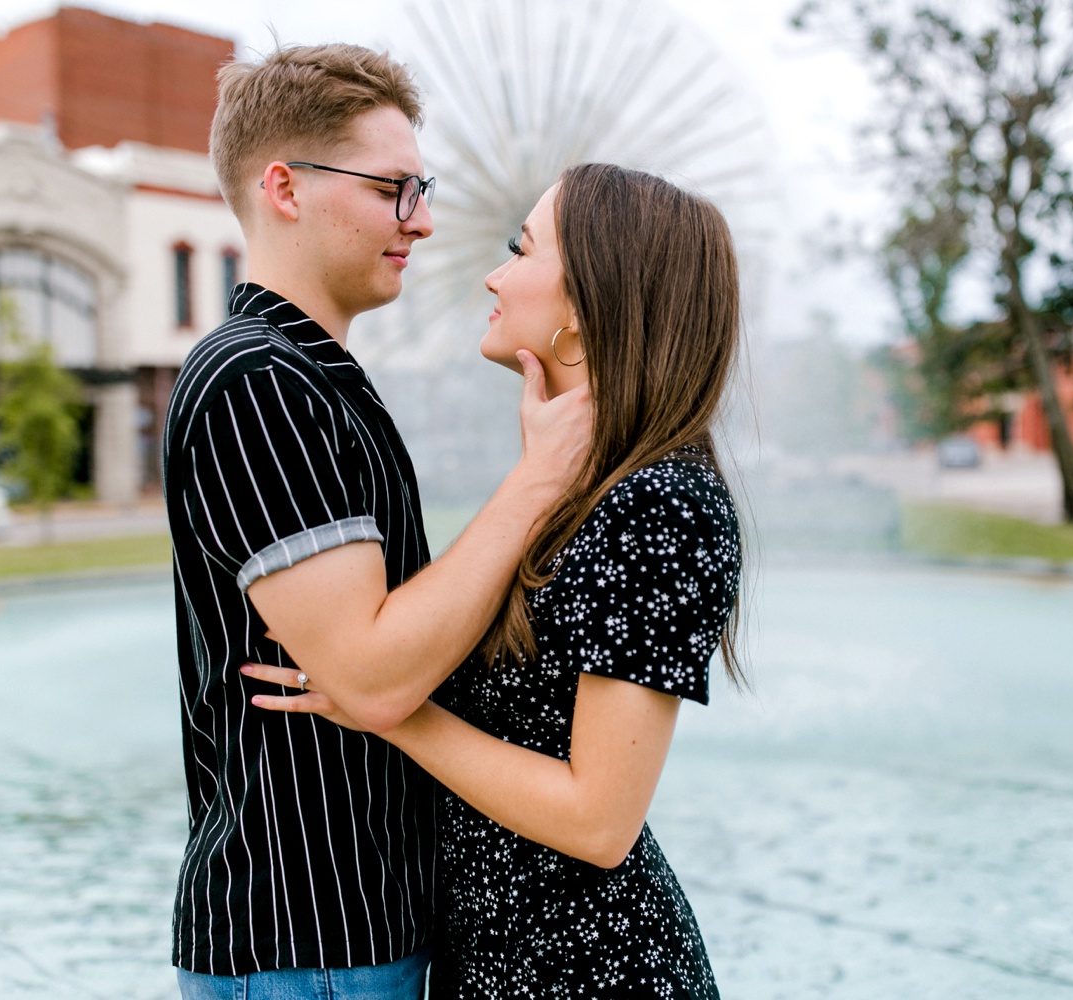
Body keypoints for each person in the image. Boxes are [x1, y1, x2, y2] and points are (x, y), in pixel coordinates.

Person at [246, 163, 745, 997]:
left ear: (585, 311)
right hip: (505, 963)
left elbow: (599, 820)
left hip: (586, 974)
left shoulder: (666, 502)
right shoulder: (577, 484)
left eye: (521, 249)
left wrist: (386, 711)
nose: (493, 272)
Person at [163, 44, 590, 998]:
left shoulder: (311, 378)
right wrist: (538, 480)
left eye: (423, 188)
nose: (425, 221)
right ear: (285, 188)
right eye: (395, 189)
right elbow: (373, 675)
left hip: (350, 937)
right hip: (310, 943)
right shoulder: (256, 381)